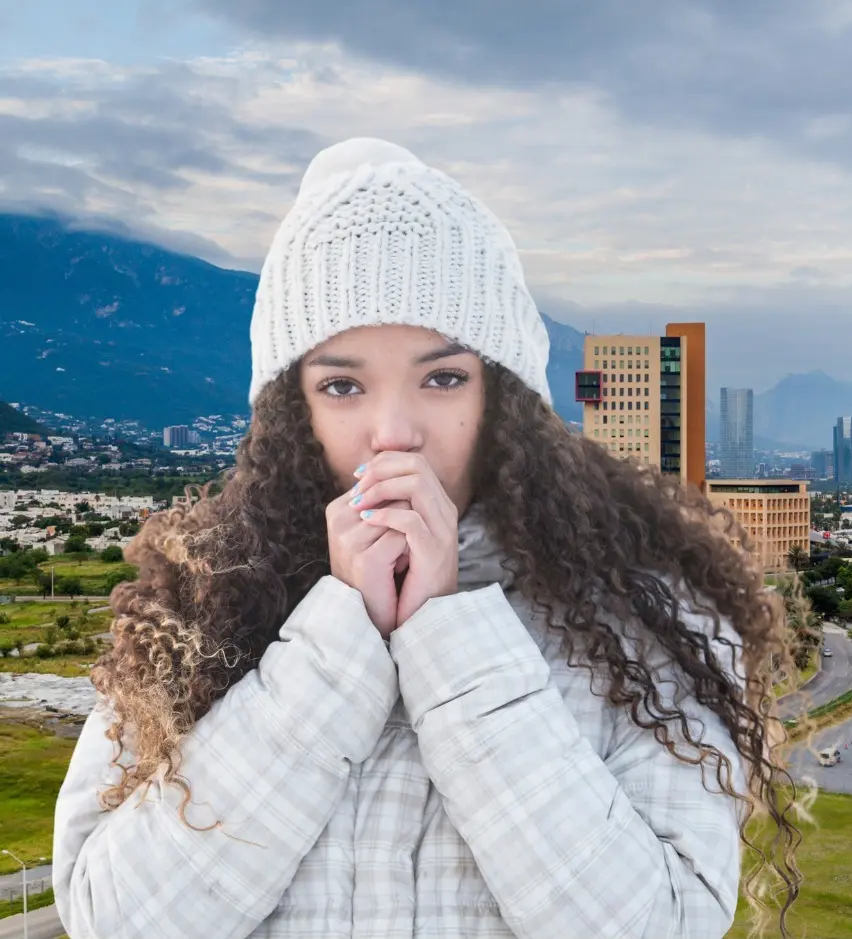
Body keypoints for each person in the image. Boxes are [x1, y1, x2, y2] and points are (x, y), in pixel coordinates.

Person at [53, 138, 802, 939]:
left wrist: (450, 634)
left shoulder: (651, 618)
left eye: (442, 378)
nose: (393, 434)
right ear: (291, 415)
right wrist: (334, 644)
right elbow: (114, 918)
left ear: (504, 397)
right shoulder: (200, 606)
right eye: (342, 386)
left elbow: (661, 923)